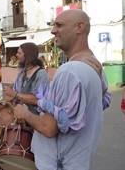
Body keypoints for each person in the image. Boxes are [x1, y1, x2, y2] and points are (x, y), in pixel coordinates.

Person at [13, 10, 111, 170]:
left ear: (79, 27)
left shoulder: (70, 71)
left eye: (59, 25)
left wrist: (24, 114)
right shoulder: (96, 67)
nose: (52, 30)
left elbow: (49, 128)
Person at [3, 42, 49, 114]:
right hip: (20, 112)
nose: (16, 55)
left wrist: (15, 94)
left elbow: (37, 99)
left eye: (19, 53)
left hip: (35, 115)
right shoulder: (22, 72)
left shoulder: (41, 74)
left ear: (28, 55)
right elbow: (14, 92)